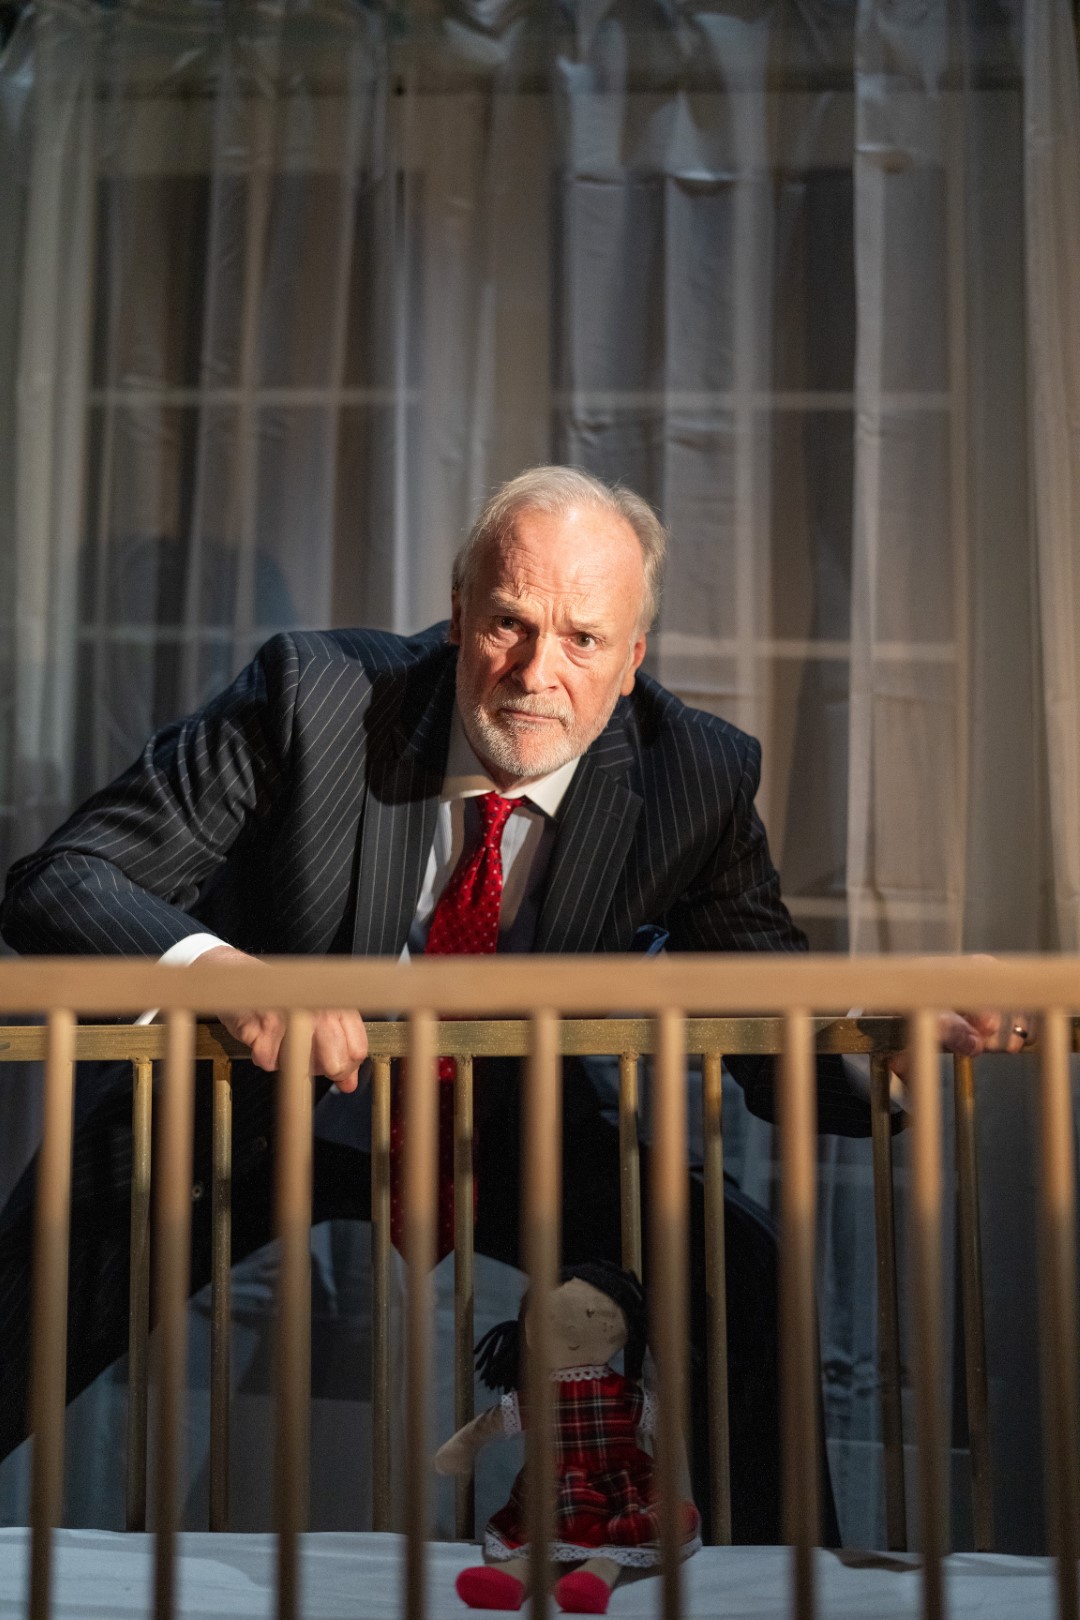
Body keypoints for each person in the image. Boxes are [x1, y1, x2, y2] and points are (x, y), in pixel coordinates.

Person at [0, 465, 1028, 1536]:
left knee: (737, 1267)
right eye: (509, 623)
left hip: (504, 1122)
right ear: (458, 617)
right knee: (38, 1275)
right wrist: (231, 978)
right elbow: (61, 881)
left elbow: (765, 1025)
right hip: (250, 1103)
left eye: (584, 640)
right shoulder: (310, 692)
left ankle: (773, 1587)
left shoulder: (695, 774)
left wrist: (879, 1036)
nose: (539, 672)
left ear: (632, 663)